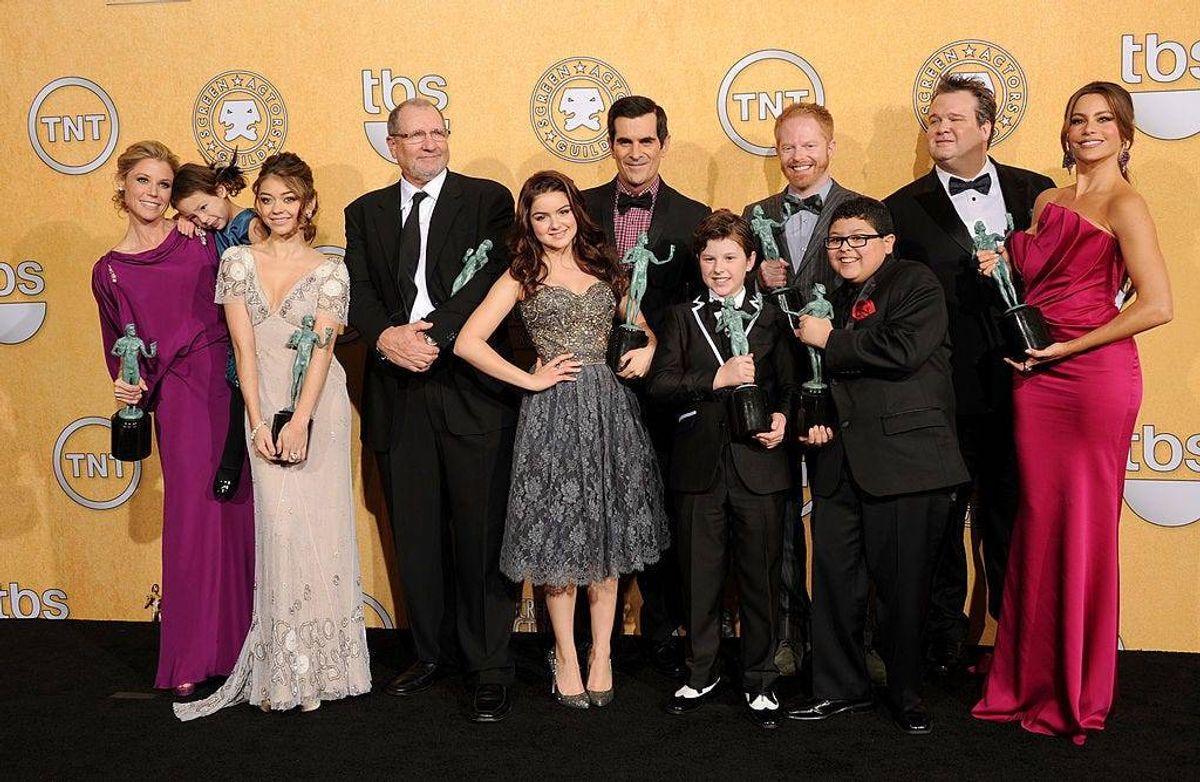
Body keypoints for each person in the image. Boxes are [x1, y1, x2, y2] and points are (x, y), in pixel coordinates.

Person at [972, 82, 1172, 745]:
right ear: (1065, 132)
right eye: (1077, 119)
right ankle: (1026, 684)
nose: (1088, 129)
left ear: (1125, 133)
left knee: (1083, 528)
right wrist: (1001, 267)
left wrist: (1069, 347)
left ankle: (1075, 692)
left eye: (1103, 120)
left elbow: (1155, 305)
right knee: (1037, 525)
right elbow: (1039, 283)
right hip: (1037, 378)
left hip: (1092, 380)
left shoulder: (1126, 203)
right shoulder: (1050, 200)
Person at [454, 170, 669, 709]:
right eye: (541, 215)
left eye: (562, 212)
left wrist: (646, 350)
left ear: (577, 213)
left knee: (606, 531)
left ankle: (602, 654)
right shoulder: (521, 274)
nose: (554, 224)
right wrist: (530, 378)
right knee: (559, 536)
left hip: (610, 410)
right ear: (528, 221)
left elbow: (644, 330)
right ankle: (566, 655)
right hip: (552, 413)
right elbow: (468, 342)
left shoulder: (606, 267)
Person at [174, 152, 370, 720]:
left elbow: (325, 349)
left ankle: (328, 669)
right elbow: (243, 349)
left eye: (289, 199)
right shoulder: (235, 261)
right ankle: (284, 669)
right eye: (267, 199)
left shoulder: (332, 270)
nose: (278, 209)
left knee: (321, 528)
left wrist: (301, 421)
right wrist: (259, 421)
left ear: (307, 205)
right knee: (280, 534)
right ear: (255, 203)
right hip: (262, 401)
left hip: (319, 406)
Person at [343, 98, 519, 722]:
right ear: (391, 144)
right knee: (415, 532)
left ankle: (490, 664)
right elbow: (357, 290)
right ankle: (431, 652)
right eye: (413, 135)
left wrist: (433, 335)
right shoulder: (362, 213)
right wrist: (387, 337)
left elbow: (492, 277)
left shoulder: (488, 199)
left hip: (471, 388)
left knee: (480, 534)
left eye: (437, 132)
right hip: (399, 392)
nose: (428, 143)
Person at [884, 75, 1055, 673]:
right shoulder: (900, 209)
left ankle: (1019, 646)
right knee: (939, 523)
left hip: (1028, 384)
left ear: (987, 127)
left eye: (956, 118)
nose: (941, 127)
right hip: (942, 394)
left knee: (1013, 517)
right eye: (934, 118)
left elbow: (1069, 280)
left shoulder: (1038, 193)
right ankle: (942, 642)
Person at [790, 197, 968, 735]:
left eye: (858, 238)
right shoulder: (833, 298)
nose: (845, 249)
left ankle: (907, 694)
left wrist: (831, 339)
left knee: (903, 588)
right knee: (836, 583)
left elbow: (904, 350)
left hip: (905, 464)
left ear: (887, 243)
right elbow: (822, 379)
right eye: (837, 240)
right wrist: (812, 418)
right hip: (840, 462)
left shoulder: (915, 283)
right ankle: (839, 689)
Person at [90, 141, 254, 697]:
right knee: (190, 520)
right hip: (177, 400)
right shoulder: (108, 271)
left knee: (237, 513)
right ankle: (189, 657)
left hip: (227, 385)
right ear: (123, 187)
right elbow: (119, 348)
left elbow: (254, 238)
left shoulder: (201, 238)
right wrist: (124, 382)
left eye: (164, 185)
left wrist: (209, 218)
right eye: (143, 182)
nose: (154, 195)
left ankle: (242, 652)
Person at [647, 210, 797, 729]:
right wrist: (716, 377)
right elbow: (661, 384)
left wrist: (782, 417)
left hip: (761, 467)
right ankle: (701, 672)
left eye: (730, 257)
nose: (718, 268)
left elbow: (793, 386)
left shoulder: (775, 316)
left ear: (751, 261)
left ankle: (760, 680)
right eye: (709, 258)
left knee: (760, 577)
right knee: (699, 579)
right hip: (698, 470)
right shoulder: (681, 315)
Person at [581, 95, 709, 678]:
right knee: (591, 510)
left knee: (660, 510)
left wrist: (657, 346)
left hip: (661, 390)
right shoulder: (576, 209)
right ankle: (591, 639)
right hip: (586, 386)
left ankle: (660, 634)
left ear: (663, 143)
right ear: (610, 144)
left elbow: (696, 308)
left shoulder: (692, 216)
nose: (635, 152)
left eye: (646, 141)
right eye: (624, 141)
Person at [742, 102, 861, 675]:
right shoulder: (754, 212)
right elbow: (736, 304)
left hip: (843, 384)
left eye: (809, 145)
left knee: (842, 519)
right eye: (787, 146)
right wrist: (756, 281)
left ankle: (846, 642)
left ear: (831, 147)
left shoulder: (863, 210)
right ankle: (787, 636)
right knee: (781, 518)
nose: (798, 157)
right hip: (777, 387)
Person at [170, 155, 266, 501]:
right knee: (242, 389)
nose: (204, 220)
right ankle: (234, 462)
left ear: (223, 189)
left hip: (264, 326)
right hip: (234, 330)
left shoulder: (249, 225)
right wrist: (182, 220)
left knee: (251, 390)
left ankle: (232, 462)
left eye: (203, 208)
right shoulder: (212, 229)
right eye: (194, 216)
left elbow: (277, 258)